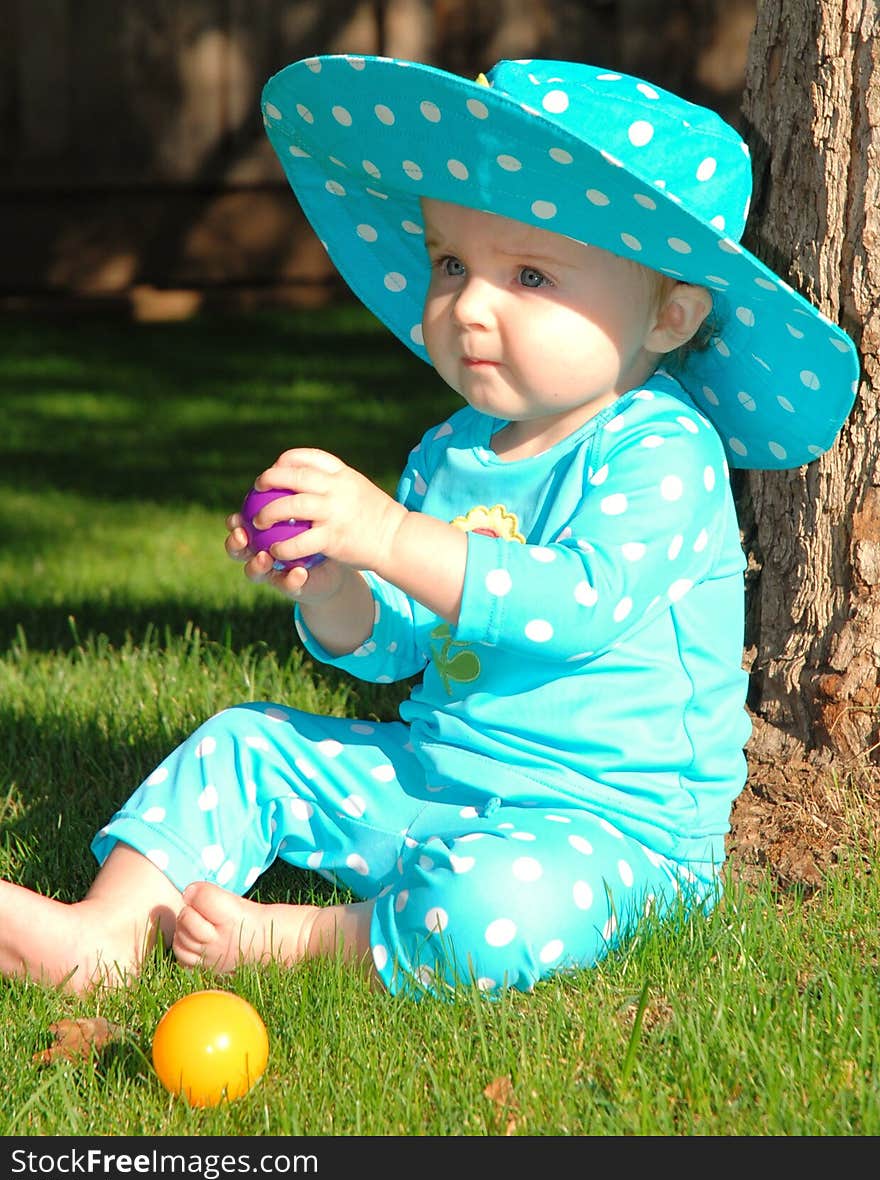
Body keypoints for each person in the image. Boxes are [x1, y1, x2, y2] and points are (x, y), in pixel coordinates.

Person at [0, 57, 859, 998]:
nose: (470, 305)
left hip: (607, 834)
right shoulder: (451, 453)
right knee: (245, 742)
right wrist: (332, 582)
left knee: (500, 908)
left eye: (530, 274)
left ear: (670, 315)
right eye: (452, 263)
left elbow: (578, 604)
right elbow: (396, 648)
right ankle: (106, 936)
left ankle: (311, 940)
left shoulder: (662, 449)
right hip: (433, 780)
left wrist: (387, 534)